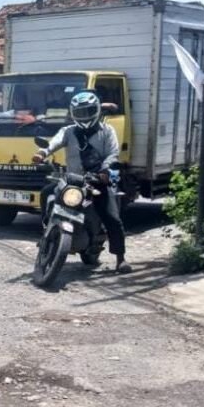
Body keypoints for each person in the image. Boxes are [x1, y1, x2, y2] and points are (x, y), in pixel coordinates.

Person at [33, 91, 132, 274]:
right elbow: (53, 143)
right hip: (72, 180)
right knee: (47, 192)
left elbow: (112, 153)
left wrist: (104, 170)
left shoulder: (106, 131)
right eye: (80, 112)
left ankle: (120, 259)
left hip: (97, 182)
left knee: (112, 217)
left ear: (95, 111)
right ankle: (48, 228)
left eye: (87, 112)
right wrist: (42, 153)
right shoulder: (68, 131)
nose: (84, 116)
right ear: (73, 113)